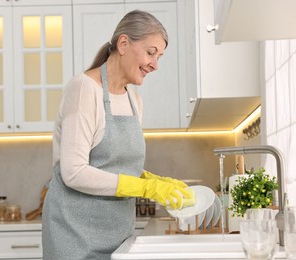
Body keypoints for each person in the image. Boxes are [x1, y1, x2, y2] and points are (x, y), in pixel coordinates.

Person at [42, 10, 192, 259]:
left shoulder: (134, 99)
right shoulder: (83, 89)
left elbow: (116, 167)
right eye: (151, 52)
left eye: (160, 57)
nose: (155, 64)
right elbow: (74, 172)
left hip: (117, 235)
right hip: (73, 234)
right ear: (123, 44)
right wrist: (145, 188)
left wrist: (156, 181)